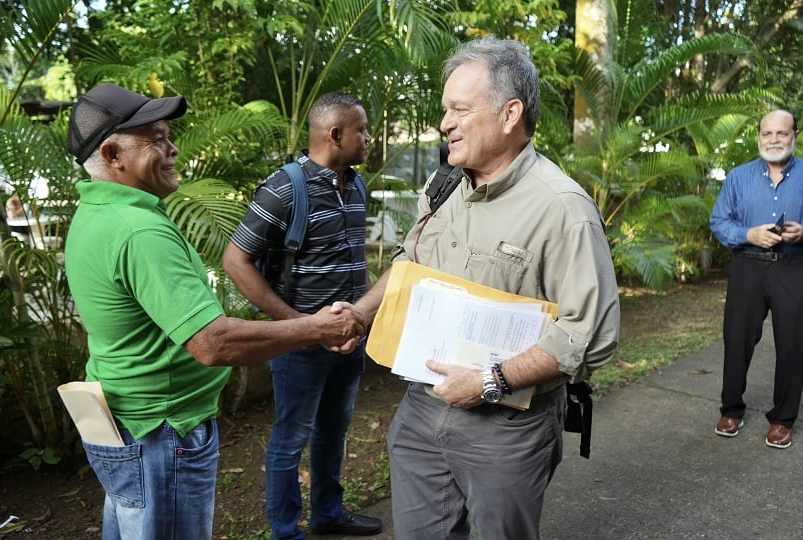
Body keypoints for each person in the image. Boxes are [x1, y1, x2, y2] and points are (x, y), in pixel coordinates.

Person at [63, 84, 365, 540]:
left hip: (129, 422)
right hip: (162, 432)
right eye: (157, 139)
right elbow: (212, 341)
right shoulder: (138, 230)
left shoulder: (97, 214)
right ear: (113, 154)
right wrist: (315, 327)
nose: (172, 148)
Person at [348, 37, 620, 540]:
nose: (444, 122)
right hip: (421, 409)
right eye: (445, 110)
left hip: (507, 425)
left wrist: (490, 381)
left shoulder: (562, 209)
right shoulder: (448, 184)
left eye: (458, 109)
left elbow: (589, 336)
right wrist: (361, 314)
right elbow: (410, 263)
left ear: (510, 113)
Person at [222, 92, 382, 539]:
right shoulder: (284, 188)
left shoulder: (355, 184)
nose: (369, 138)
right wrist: (297, 325)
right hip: (301, 347)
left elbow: (353, 260)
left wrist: (360, 317)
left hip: (350, 340)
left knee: (335, 431)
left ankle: (329, 516)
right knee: (291, 438)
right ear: (335, 134)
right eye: (362, 130)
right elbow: (236, 261)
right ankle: (286, 531)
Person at [709, 109, 803, 449]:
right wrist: (748, 234)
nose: (774, 140)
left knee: (792, 345)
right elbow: (719, 221)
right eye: (767, 133)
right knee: (737, 340)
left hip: (796, 268)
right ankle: (731, 410)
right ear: (758, 137)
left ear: (794, 135)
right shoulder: (738, 177)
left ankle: (783, 419)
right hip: (748, 266)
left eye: (781, 133)